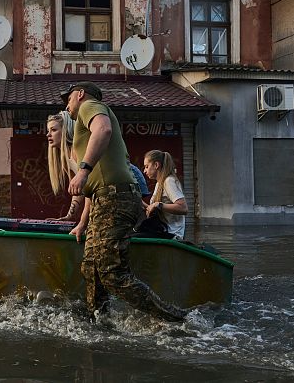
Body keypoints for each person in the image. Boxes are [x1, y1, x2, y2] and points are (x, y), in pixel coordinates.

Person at [62, 82, 187, 322]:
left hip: (116, 197)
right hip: (103, 198)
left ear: (79, 94)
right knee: (92, 268)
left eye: (68, 99)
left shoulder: (90, 105)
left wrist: (83, 170)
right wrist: (82, 222)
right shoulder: (81, 127)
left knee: (111, 273)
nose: (66, 105)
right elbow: (94, 186)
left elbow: (104, 130)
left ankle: (175, 320)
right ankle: (99, 320)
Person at [46, 111, 84, 222]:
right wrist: (69, 216)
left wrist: (83, 221)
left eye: (53, 130)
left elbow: (90, 188)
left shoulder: (77, 150)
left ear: (66, 130)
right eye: (48, 130)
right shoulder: (66, 159)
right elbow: (78, 191)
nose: (48, 134)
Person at [143, 150, 188, 240]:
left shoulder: (169, 181)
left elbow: (183, 208)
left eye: (147, 167)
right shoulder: (159, 184)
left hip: (172, 234)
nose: (144, 171)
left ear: (156, 165)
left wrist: (158, 204)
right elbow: (155, 209)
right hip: (162, 230)